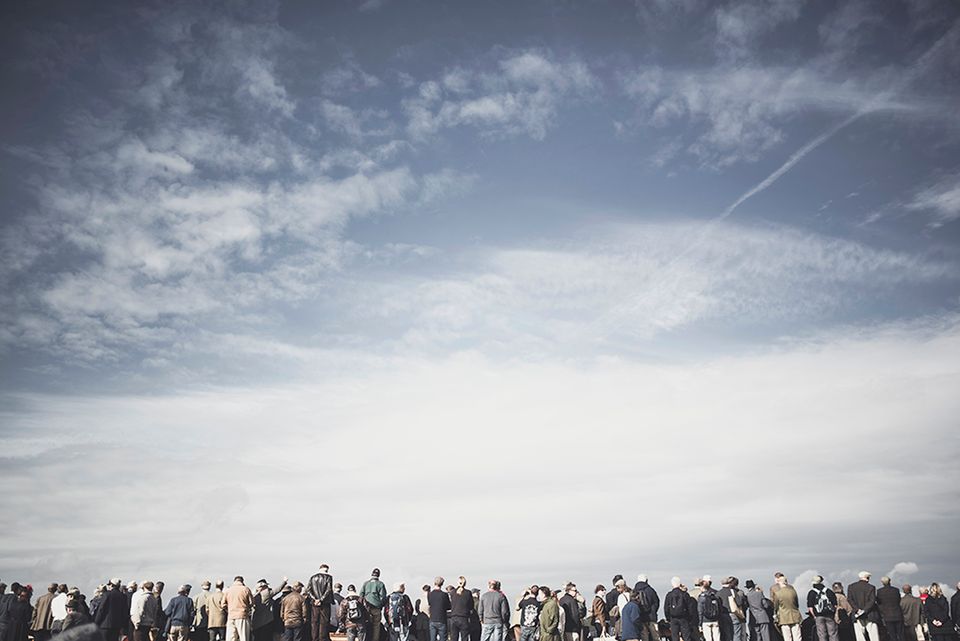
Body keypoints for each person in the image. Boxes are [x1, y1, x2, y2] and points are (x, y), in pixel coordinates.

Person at [846, 573, 880, 641]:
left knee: (860, 636)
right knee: (873, 635)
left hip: (856, 614)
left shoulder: (851, 586)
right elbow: (872, 601)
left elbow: (850, 599)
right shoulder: (871, 587)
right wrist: (864, 610)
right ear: (867, 578)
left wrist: (857, 609)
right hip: (870, 614)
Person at [806, 576, 838, 641]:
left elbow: (810, 607)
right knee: (833, 633)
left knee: (822, 634)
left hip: (819, 616)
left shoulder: (812, 593)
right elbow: (835, 604)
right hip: (830, 615)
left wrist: (814, 616)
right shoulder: (829, 591)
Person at [771, 575, 801, 641]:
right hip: (795, 615)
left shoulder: (778, 593)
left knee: (787, 637)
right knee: (797, 636)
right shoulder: (793, 591)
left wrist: (775, 614)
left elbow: (776, 606)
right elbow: (797, 604)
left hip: (784, 617)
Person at [308, 566, 334, 641]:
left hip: (314, 604)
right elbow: (328, 589)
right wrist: (321, 599)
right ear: (327, 570)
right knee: (324, 623)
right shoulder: (328, 577)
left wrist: (315, 599)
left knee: (314, 623)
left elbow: (308, 590)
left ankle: (314, 639)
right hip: (325, 603)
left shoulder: (312, 578)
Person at [224, 577, 254, 641]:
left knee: (230, 638)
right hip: (242, 615)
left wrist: (228, 609)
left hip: (231, 616)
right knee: (244, 637)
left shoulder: (228, 590)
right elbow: (251, 603)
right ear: (242, 581)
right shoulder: (246, 589)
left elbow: (223, 604)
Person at [633, 576, 660, 641]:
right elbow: (656, 602)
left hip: (641, 617)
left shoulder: (634, 590)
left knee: (644, 638)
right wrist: (653, 611)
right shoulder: (650, 590)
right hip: (651, 617)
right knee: (656, 637)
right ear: (646, 580)